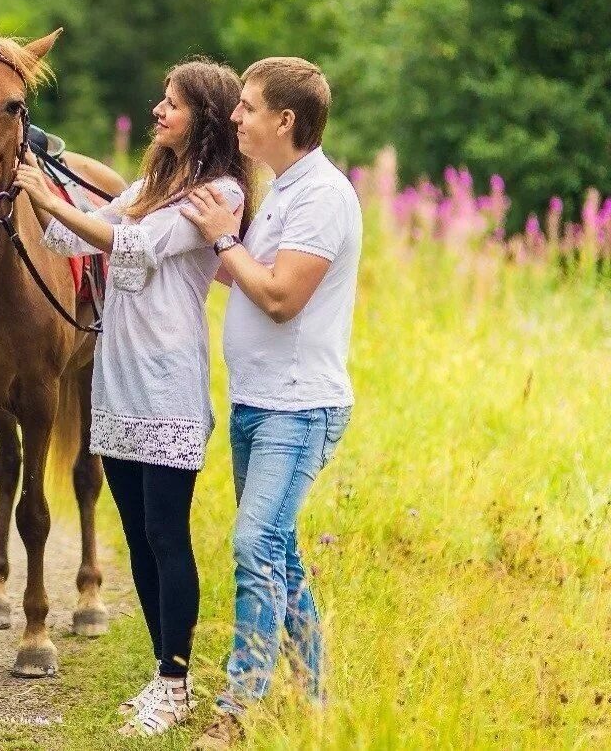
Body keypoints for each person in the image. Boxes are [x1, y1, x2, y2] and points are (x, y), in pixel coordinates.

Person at [12, 57, 252, 737]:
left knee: (167, 534)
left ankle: (176, 683)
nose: (157, 111)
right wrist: (37, 187)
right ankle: (163, 675)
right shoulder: (153, 183)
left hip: (168, 382)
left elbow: (135, 245)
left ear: (203, 115)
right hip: (117, 380)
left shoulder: (220, 194)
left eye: (171, 103)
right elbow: (67, 235)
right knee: (141, 540)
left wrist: (55, 199)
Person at [180, 57, 362, 748]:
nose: (235, 117)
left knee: (255, 542)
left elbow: (283, 298)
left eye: (249, 107)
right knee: (279, 550)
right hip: (258, 402)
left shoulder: (322, 196)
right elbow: (245, 273)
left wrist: (226, 236)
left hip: (299, 406)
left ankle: (238, 710)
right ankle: (312, 699)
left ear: (285, 120)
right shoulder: (284, 189)